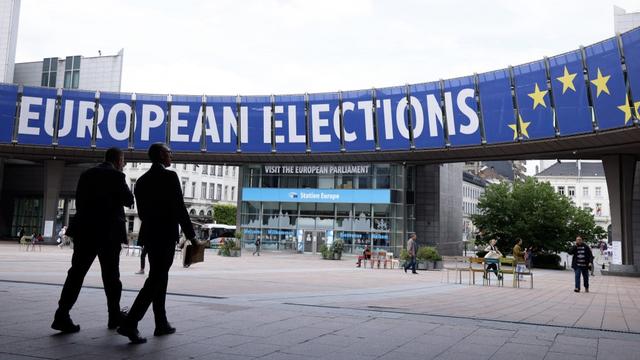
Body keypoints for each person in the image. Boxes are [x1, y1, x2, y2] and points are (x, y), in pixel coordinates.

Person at [117, 143, 196, 344]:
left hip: (150, 235)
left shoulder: (141, 181)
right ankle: (130, 322)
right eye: (169, 153)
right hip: (166, 235)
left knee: (158, 276)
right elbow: (179, 208)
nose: (171, 156)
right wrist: (192, 236)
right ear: (161, 155)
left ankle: (161, 322)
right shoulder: (170, 177)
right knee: (155, 280)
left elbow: (142, 213)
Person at [51, 147, 133, 334]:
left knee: (76, 274)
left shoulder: (86, 174)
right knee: (111, 277)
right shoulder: (117, 176)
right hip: (109, 233)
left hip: (85, 231)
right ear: (119, 160)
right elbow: (129, 200)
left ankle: (62, 314)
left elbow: (79, 201)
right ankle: (114, 316)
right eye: (124, 161)